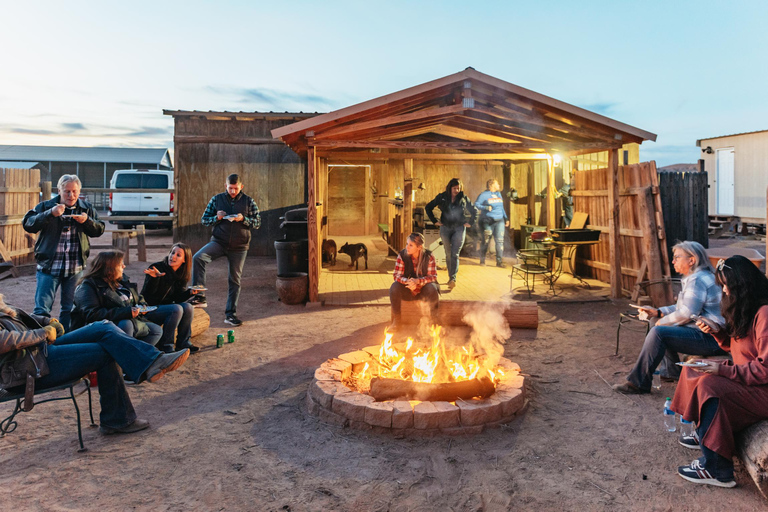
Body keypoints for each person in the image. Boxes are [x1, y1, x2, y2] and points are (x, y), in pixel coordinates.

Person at [0, 294, 189, 435]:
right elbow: (3, 340)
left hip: (41, 353)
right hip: (31, 370)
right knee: (104, 351)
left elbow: (21, 318)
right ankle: (117, 419)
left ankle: (153, 361)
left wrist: (47, 321)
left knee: (102, 327)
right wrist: (42, 333)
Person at [672, 255, 768, 488]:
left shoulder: (765, 313)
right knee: (694, 369)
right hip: (747, 378)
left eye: (727, 285)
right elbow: (739, 348)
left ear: (743, 285)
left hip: (762, 388)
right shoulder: (749, 307)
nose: (724, 290)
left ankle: (717, 467)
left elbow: (765, 369)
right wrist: (717, 333)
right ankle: (704, 431)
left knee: (710, 386)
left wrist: (721, 372)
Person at [613, 241, 726, 394]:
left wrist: (662, 321)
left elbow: (687, 314)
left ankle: (638, 382)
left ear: (691, 260)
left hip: (713, 338)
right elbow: (684, 308)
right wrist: (658, 313)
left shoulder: (697, 280)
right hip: (708, 333)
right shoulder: (698, 276)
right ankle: (670, 371)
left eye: (677, 257)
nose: (673, 261)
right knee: (656, 323)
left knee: (659, 331)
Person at [23, 174, 105, 331]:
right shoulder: (46, 206)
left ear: (79, 191)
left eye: (74, 191)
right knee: (42, 310)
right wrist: (50, 214)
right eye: (67, 191)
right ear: (59, 190)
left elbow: (99, 229)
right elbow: (28, 224)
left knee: (71, 309)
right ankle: (39, 343)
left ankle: (66, 341)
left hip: (75, 267)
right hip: (49, 266)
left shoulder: (86, 208)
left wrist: (87, 221)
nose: (71, 195)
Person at [72, 251, 184, 353]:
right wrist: (127, 312)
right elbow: (92, 314)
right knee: (127, 324)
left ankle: (136, 359)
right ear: (110, 268)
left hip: (131, 318)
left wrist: (143, 305)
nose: (124, 266)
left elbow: (138, 297)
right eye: (120, 264)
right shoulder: (87, 286)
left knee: (156, 330)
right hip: (102, 326)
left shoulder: (121, 280)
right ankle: (128, 362)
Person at [189, 174, 260, 327]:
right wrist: (217, 218)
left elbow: (258, 222)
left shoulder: (248, 201)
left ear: (241, 186)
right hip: (219, 242)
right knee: (198, 258)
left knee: (234, 280)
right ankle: (199, 296)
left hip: (239, 247)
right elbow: (204, 220)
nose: (233, 191)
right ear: (225, 186)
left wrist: (244, 219)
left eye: (235, 188)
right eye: (230, 188)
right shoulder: (216, 199)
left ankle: (230, 314)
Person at [141, 243, 200, 353]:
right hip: (149, 309)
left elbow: (177, 298)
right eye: (172, 253)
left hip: (165, 308)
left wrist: (190, 293)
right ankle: (166, 346)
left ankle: (183, 343)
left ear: (184, 260)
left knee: (188, 307)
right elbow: (147, 295)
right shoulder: (156, 268)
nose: (173, 256)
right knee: (176, 309)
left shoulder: (182, 274)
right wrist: (155, 279)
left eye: (178, 255)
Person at [425, 178, 476, 290]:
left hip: (459, 228)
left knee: (455, 254)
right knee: (448, 253)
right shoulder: (442, 196)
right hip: (445, 228)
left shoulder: (463, 198)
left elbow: (473, 210)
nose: (457, 190)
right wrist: (435, 221)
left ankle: (452, 278)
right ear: (450, 188)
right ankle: (450, 277)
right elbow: (428, 207)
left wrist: (470, 223)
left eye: (458, 188)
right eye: (455, 188)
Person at [388, 232, 439, 332]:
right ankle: (397, 321)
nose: (407, 247)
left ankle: (434, 322)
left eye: (410, 245)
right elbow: (396, 275)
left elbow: (433, 277)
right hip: (408, 290)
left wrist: (418, 281)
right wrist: (408, 282)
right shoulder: (402, 255)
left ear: (419, 247)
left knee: (432, 288)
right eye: (407, 244)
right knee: (394, 287)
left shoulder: (428, 256)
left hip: (423, 291)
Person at [475, 178, 509, 268]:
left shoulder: (498, 194)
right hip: (487, 220)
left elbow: (501, 207)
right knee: (486, 240)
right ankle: (482, 260)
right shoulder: (483, 195)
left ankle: (499, 261)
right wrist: (486, 208)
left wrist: (506, 218)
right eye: (497, 183)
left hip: (499, 220)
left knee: (500, 241)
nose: (499, 185)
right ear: (491, 185)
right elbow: (476, 204)